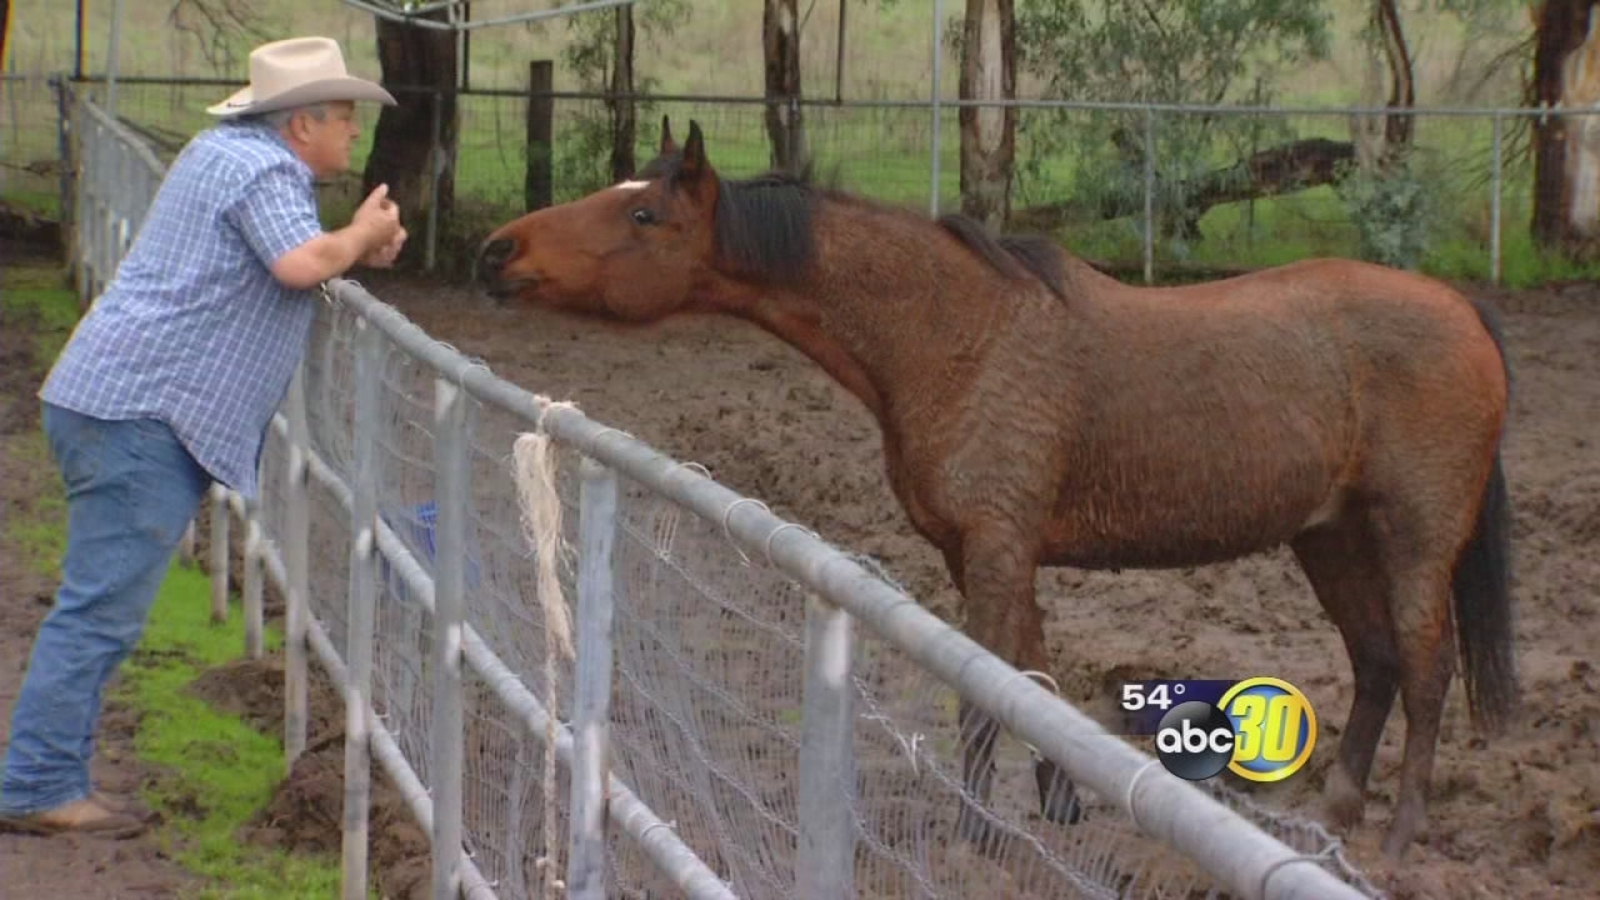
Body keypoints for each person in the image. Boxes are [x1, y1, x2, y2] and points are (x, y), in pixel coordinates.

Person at [0, 36, 406, 838]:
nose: (352, 137)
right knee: (100, 613)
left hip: (122, 403)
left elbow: (299, 257)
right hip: (144, 415)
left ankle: (44, 776)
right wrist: (354, 237)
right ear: (303, 125)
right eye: (346, 122)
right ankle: (36, 785)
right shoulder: (264, 169)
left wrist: (356, 246)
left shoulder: (227, 154)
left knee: (98, 606)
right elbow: (297, 264)